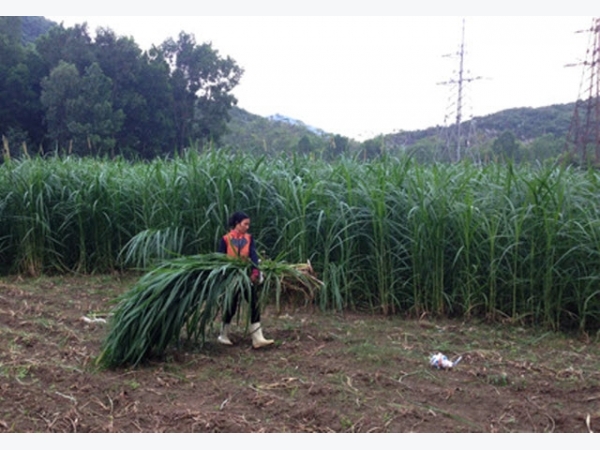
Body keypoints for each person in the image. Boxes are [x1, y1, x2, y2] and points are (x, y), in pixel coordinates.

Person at [217, 211, 274, 348]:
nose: (247, 227)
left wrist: (255, 271)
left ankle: (257, 337)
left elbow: (253, 255)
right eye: (245, 224)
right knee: (231, 305)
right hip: (232, 277)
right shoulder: (225, 239)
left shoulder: (249, 238)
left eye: (248, 224)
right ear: (237, 224)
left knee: (254, 302)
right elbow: (219, 259)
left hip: (247, 276)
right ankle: (223, 335)